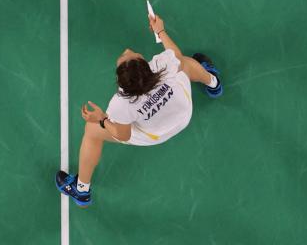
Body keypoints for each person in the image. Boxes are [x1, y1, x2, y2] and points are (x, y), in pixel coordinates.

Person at [54, 13, 222, 207]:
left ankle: (81, 190)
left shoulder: (121, 103)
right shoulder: (163, 65)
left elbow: (122, 135)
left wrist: (101, 119)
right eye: (129, 55)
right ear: (146, 65)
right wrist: (160, 30)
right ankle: (214, 83)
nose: (126, 50)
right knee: (183, 63)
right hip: (183, 114)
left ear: (120, 82)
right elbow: (174, 53)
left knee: (92, 131)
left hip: (154, 134)